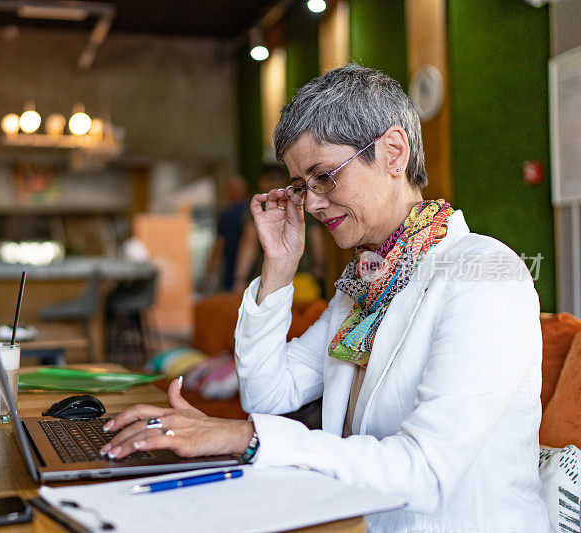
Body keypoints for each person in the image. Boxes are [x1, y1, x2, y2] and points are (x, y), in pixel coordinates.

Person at [99, 65, 549, 531]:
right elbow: (267, 395)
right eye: (300, 187)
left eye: (324, 177)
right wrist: (278, 266)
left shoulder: (483, 275)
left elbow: (427, 470)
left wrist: (242, 436)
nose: (311, 204)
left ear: (393, 152)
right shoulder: (365, 285)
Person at [232, 164, 326, 295]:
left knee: (270, 313)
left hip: (270, 279)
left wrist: (240, 277)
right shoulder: (300, 201)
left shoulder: (259, 203)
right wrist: (319, 266)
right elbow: (316, 236)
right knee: (307, 315)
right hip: (302, 277)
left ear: (262, 180)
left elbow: (249, 241)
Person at [204, 175, 249, 291]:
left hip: (232, 271)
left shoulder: (226, 215)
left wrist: (209, 270)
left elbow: (219, 244)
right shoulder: (253, 210)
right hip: (252, 272)